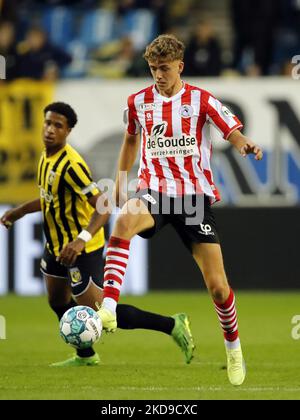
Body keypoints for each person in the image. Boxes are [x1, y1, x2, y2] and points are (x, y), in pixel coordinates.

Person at [97, 34, 263, 386]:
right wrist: (121, 181)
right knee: (125, 217)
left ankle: (233, 350)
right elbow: (130, 140)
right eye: (154, 68)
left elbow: (230, 131)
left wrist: (244, 143)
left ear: (180, 67)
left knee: (218, 288)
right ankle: (108, 307)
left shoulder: (201, 100)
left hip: (192, 200)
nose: (158, 75)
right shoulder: (138, 102)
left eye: (165, 68)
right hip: (154, 190)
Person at [0, 101, 195, 367]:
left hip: (82, 249)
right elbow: (50, 197)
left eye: (58, 125)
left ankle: (173, 325)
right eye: (48, 123)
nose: (50, 129)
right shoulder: (46, 156)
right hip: (57, 245)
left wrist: (80, 240)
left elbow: (103, 207)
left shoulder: (72, 165)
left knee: (101, 313)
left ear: (68, 131)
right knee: (57, 300)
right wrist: (19, 211)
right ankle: (86, 356)